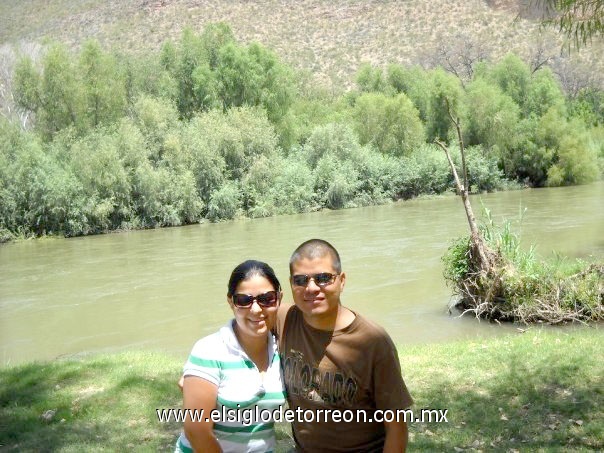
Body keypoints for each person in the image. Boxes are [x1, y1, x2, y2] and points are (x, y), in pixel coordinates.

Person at [277, 238, 413, 452]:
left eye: (323, 278)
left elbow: (396, 427)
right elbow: (248, 313)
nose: (311, 288)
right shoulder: (284, 318)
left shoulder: (372, 342)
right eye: (300, 280)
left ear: (342, 281)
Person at [175, 260, 286, 453]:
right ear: (230, 302)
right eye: (244, 300)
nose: (256, 309)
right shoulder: (209, 350)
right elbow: (196, 431)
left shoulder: (282, 347)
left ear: (279, 298)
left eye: (267, 298)